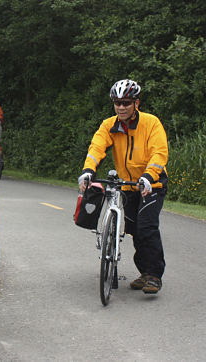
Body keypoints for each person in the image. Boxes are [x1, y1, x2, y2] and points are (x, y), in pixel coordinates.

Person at [79, 79, 168, 294]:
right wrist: (88, 170)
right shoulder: (109, 125)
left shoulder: (151, 123)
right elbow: (96, 148)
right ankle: (145, 272)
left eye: (126, 102)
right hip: (127, 186)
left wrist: (148, 175)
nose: (121, 107)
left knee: (146, 227)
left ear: (136, 103)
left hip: (151, 184)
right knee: (134, 229)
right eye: (117, 102)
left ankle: (155, 275)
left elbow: (159, 152)